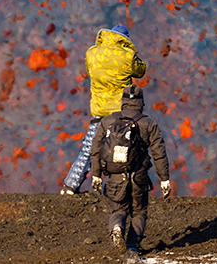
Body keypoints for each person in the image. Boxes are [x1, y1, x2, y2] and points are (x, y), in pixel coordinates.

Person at [61, 24, 147, 195]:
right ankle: (121, 190)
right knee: (126, 148)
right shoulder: (128, 56)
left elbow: (89, 71)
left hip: (99, 111)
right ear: (125, 39)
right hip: (122, 113)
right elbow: (141, 71)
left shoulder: (92, 53)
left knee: (90, 148)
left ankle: (70, 186)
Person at [90, 85, 171, 264]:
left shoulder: (107, 121)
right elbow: (159, 153)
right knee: (139, 212)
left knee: (118, 209)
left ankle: (117, 226)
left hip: (114, 177)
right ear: (141, 103)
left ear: (123, 101)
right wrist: (164, 179)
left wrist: (96, 174)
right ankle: (132, 250)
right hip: (138, 178)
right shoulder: (149, 123)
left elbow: (95, 149)